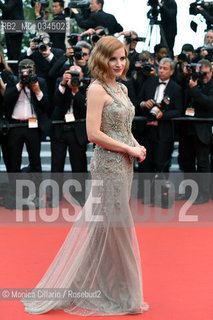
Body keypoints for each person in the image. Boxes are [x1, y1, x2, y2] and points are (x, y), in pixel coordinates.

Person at [21, 36, 148, 315]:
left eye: (122, 58)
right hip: (108, 166)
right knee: (118, 230)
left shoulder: (123, 89)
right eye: (112, 58)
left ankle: (88, 284)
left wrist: (135, 145)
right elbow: (94, 134)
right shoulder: (96, 90)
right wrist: (128, 147)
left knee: (104, 229)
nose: (118, 63)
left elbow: (124, 127)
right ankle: (124, 294)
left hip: (126, 164)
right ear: (101, 58)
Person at [175, 59, 213, 204]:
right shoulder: (191, 80)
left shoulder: (207, 85)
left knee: (203, 163)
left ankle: (203, 194)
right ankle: (189, 192)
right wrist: (185, 75)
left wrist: (194, 89)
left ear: (211, 71)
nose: (203, 76)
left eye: (205, 73)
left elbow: (208, 103)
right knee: (187, 162)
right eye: (200, 73)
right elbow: (176, 87)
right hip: (187, 127)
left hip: (203, 129)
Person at [0, 0, 24, 72]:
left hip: (16, 29)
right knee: (10, 54)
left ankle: (16, 74)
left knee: (15, 54)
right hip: (9, 29)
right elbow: (8, 12)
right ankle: (11, 72)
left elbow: (7, 9)